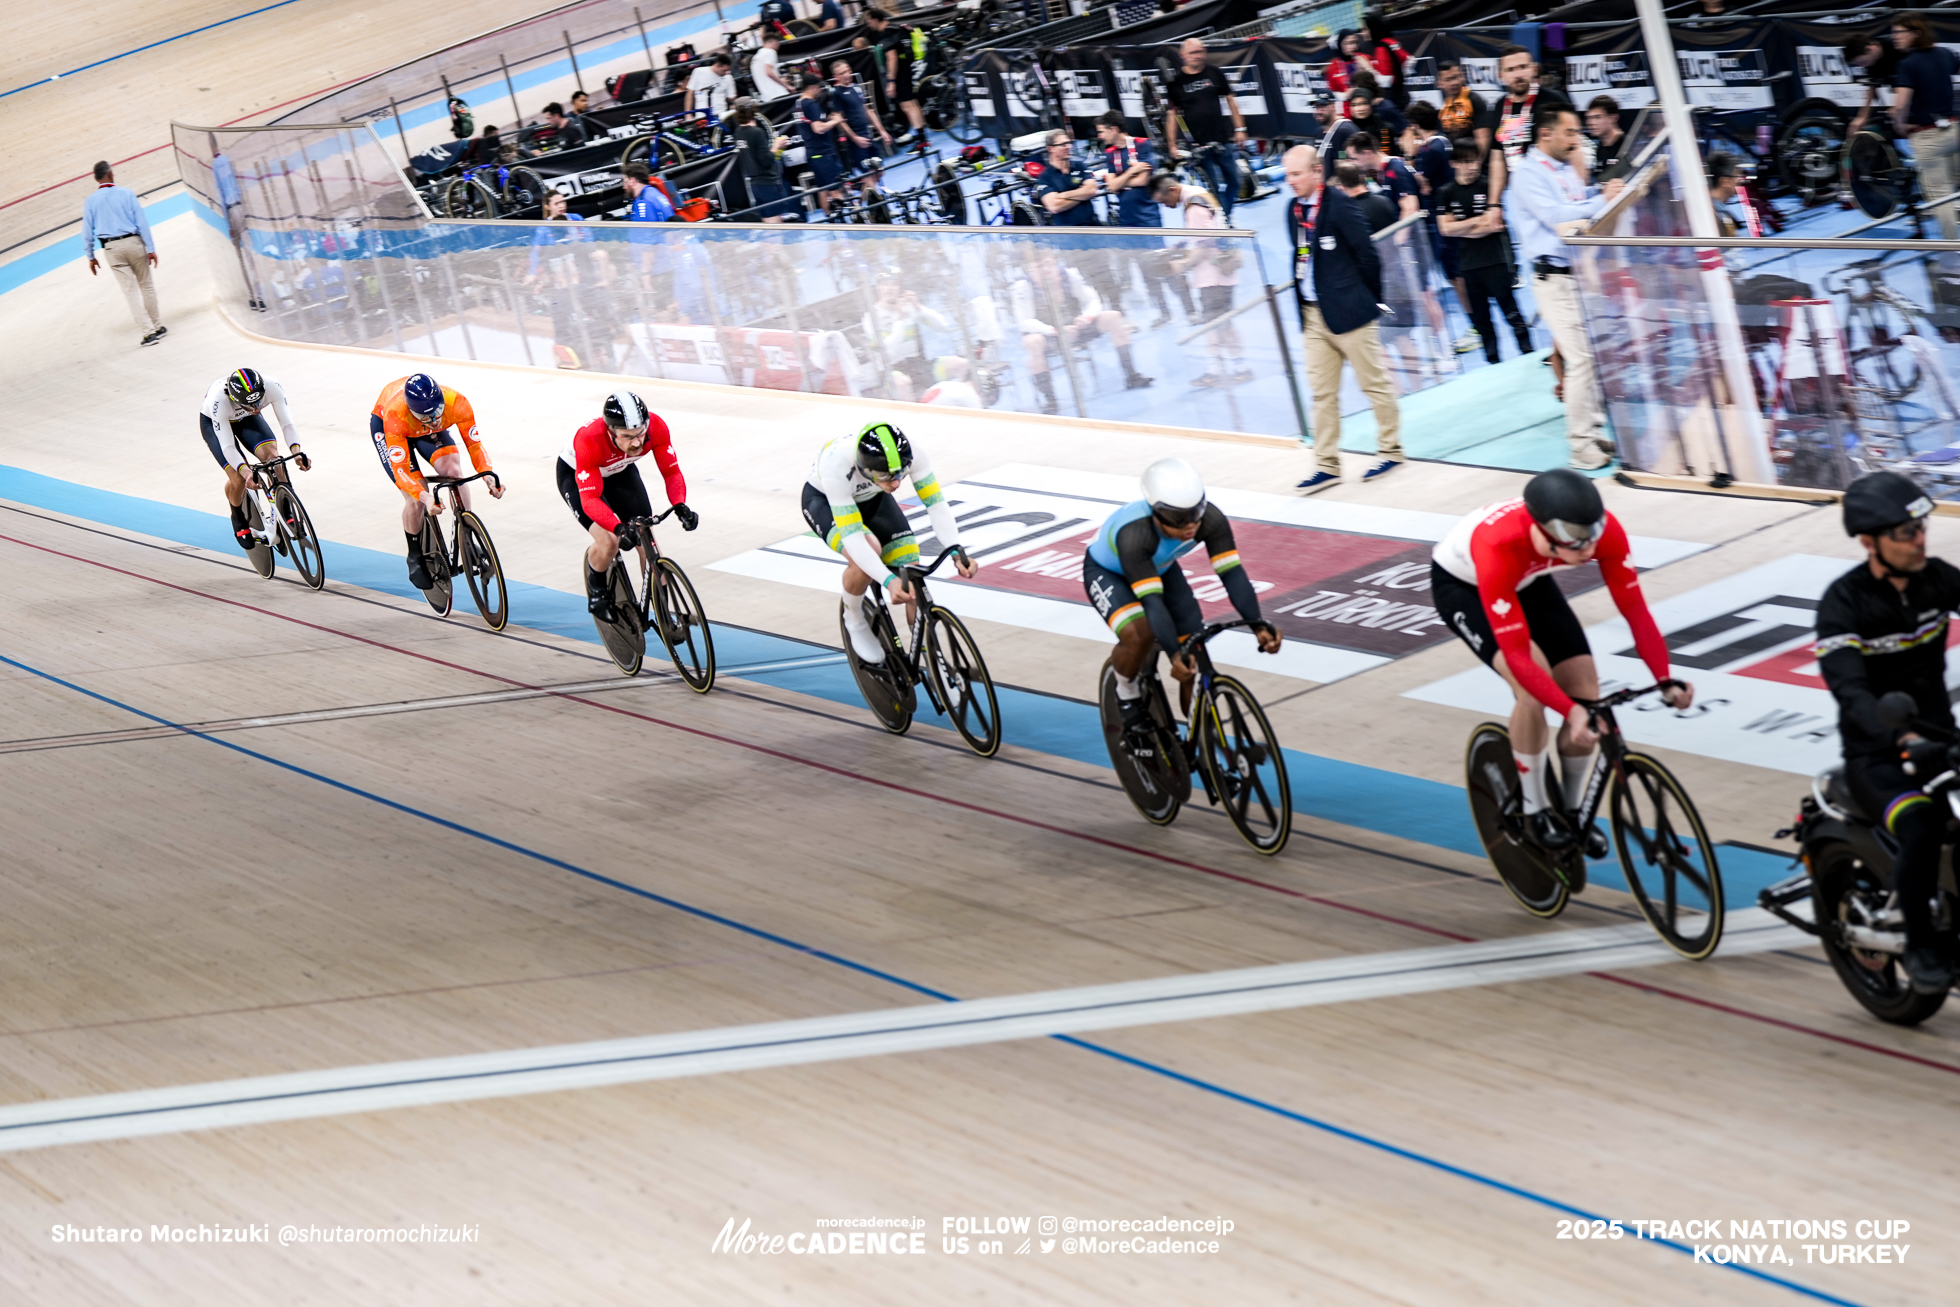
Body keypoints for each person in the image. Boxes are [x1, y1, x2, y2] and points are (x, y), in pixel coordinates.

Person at [1431, 469, 1689, 854]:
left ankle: (1571, 813)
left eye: (1592, 535)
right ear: (1543, 530)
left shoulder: (1602, 533)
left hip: (1529, 580)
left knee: (1588, 692)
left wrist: (1665, 677)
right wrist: (1569, 712)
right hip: (1466, 586)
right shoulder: (1498, 544)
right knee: (1532, 691)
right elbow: (1518, 655)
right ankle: (1535, 812)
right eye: (1574, 539)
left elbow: (1635, 611)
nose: (1587, 549)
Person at [1817, 472, 1960, 992]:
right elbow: (1851, 692)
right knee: (1920, 823)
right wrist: (1901, 739)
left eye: (1920, 527)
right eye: (1904, 533)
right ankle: (1921, 942)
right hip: (1878, 756)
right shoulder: (1843, 604)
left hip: (1943, 741)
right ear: (1869, 542)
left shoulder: (1939, 579)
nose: (1919, 539)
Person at [1083, 457, 1281, 749]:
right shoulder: (1135, 534)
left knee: (1193, 653)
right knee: (1140, 634)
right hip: (1110, 572)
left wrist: (1258, 623)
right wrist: (1173, 653)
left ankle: (1201, 741)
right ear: (1156, 512)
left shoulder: (1210, 520)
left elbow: (1232, 574)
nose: (1190, 525)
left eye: (1195, 512)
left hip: (1159, 568)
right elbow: (1152, 602)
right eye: (1178, 518)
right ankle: (1126, 694)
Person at [802, 422, 976, 661]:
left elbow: (935, 504)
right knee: (869, 548)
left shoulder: (912, 450)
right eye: (885, 476)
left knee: (911, 573)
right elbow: (853, 539)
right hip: (825, 501)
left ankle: (932, 661)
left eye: (900, 474)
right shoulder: (836, 465)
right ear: (864, 468)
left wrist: (956, 550)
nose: (895, 483)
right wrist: (888, 580)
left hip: (873, 498)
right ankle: (853, 617)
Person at [1283, 146, 1401, 493]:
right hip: (1312, 314)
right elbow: (1302, 254)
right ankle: (1326, 464)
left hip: (1351, 312)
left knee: (1373, 384)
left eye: (1297, 174)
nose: (1291, 181)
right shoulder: (1293, 209)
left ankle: (1391, 449)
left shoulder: (1339, 203)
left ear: (1317, 172)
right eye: (1287, 175)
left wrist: (1370, 299)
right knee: (1322, 394)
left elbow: (1367, 254)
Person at [1511, 106, 1623, 470]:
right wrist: (1601, 200)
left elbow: (1580, 205)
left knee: (1592, 356)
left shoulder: (1562, 169)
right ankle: (1580, 445)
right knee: (1581, 359)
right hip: (1552, 277)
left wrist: (1601, 193)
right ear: (1546, 134)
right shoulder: (1528, 174)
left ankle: (1592, 430)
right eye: (1570, 132)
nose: (1577, 139)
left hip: (1576, 271)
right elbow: (1557, 216)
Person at [558, 390, 695, 622]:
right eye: (628, 436)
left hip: (619, 470)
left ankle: (663, 614)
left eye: (640, 433)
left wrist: (680, 504)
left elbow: (671, 472)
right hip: (577, 476)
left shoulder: (656, 427)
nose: (637, 442)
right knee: (609, 542)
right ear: (611, 432)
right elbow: (591, 500)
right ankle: (597, 590)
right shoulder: (590, 440)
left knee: (646, 537)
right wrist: (619, 528)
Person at [369, 373, 504, 591]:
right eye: (428, 417)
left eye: (438, 412)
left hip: (418, 426)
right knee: (416, 498)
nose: (435, 420)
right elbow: (402, 471)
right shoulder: (396, 414)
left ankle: (466, 531)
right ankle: (414, 555)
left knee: (454, 472)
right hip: (391, 428)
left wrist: (488, 474)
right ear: (413, 411)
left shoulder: (456, 402)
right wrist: (426, 497)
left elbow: (475, 445)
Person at [1011, 247, 1154, 412]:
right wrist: (1054, 330)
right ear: (1029, 269)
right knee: (1031, 342)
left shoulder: (1069, 275)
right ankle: (1051, 401)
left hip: (1078, 328)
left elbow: (1092, 300)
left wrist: (1086, 317)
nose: (1045, 270)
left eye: (1048, 264)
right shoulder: (1023, 287)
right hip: (1049, 335)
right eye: (1038, 267)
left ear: (1054, 262)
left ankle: (1132, 376)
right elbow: (1024, 321)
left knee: (1113, 317)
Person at [1436, 139, 1532, 367]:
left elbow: (1494, 225)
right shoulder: (1446, 192)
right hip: (1468, 266)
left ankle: (1530, 354)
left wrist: (1462, 227)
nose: (1473, 167)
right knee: (1482, 322)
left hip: (1495, 261)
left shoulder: (1489, 186)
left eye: (1476, 161)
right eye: (1467, 162)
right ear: (1454, 163)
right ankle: (1493, 365)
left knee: (1512, 313)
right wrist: (1479, 221)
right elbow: (1445, 229)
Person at [1151, 174, 1247, 388]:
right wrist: (1180, 247)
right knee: (1216, 324)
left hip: (1214, 275)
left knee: (1219, 324)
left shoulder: (1193, 208)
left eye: (1164, 201)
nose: (1166, 206)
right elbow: (1204, 236)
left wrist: (1181, 266)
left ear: (1173, 190)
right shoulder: (1198, 195)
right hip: (1219, 270)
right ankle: (1221, 369)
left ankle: (1237, 368)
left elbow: (1204, 245)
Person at [1098, 110, 1190, 328]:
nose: (1100, 136)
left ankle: (1190, 309)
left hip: (1148, 218)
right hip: (1126, 220)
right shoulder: (1110, 153)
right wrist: (1133, 170)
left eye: (1102, 131)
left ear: (1114, 129)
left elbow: (1142, 181)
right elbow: (1112, 186)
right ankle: (1163, 312)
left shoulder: (1141, 145)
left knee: (1163, 265)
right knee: (1144, 270)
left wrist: (1126, 178)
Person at [200, 368, 310, 549]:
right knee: (238, 477)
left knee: (274, 459)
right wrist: (246, 472)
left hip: (246, 418)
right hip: (213, 424)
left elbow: (288, 424)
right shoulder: (218, 401)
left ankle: (286, 511)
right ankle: (238, 517)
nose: (257, 408)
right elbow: (228, 446)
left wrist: (297, 452)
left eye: (259, 401)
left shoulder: (272, 386)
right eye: (252, 405)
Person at [1891, 15, 1960, 241]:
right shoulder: (1945, 54)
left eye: (1899, 33)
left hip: (1928, 137)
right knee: (1952, 191)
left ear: (1916, 34)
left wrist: (1899, 125)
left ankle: (1951, 260)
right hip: (1953, 130)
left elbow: (1901, 104)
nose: (1895, 38)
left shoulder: (1908, 64)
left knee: (1942, 198)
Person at [1163, 37, 1247, 220]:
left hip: (1222, 139)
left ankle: (1222, 216)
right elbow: (1172, 114)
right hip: (1198, 145)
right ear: (1183, 55)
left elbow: (1231, 100)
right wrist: (1172, 144)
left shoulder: (1214, 73)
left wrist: (1240, 128)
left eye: (1200, 52)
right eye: (1193, 53)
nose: (1197, 56)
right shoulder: (1175, 83)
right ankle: (1223, 222)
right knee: (1213, 187)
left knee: (1235, 181)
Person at [83, 162, 165, 346]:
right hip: (134, 242)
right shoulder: (127, 193)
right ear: (111, 174)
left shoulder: (91, 201)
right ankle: (158, 327)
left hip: (112, 248)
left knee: (130, 292)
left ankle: (148, 333)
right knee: (146, 285)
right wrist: (151, 248)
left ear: (96, 179)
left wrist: (90, 256)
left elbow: (87, 232)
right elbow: (142, 222)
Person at [526, 189, 593, 368]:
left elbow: (590, 240)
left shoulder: (576, 218)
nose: (562, 206)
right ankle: (564, 346)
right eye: (557, 203)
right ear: (548, 207)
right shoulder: (543, 228)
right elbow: (536, 252)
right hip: (559, 278)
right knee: (561, 310)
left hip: (581, 274)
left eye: (563, 202)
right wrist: (532, 272)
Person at [863, 275, 951, 399]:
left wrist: (919, 307)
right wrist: (900, 319)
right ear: (878, 288)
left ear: (900, 288)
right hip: (890, 371)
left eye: (894, 284)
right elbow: (887, 353)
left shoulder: (908, 307)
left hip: (917, 365)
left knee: (959, 364)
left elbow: (944, 327)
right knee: (902, 382)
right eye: (885, 284)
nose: (890, 288)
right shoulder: (871, 317)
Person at [1492, 45, 1570, 175]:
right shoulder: (1500, 106)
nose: (1518, 75)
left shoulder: (1555, 100)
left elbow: (1574, 146)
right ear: (1501, 76)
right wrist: (1495, 196)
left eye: (1523, 67)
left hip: (1554, 184)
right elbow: (1497, 157)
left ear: (1533, 69)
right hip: (1515, 187)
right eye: (1510, 69)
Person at [863, 9, 926, 143]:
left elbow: (892, 58)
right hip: (907, 68)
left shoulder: (885, 34)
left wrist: (891, 81)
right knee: (912, 103)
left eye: (869, 22)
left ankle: (922, 140)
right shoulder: (895, 28)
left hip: (900, 72)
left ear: (875, 20)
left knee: (907, 105)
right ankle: (922, 135)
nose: (869, 25)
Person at [730, 99, 794, 221]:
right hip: (767, 183)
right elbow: (766, 160)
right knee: (775, 224)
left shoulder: (738, 133)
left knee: (767, 222)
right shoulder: (756, 132)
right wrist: (777, 145)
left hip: (755, 184)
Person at [795, 74, 848, 214]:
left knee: (823, 189)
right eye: (819, 88)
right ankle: (847, 223)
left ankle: (830, 220)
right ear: (812, 88)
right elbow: (818, 128)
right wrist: (836, 121)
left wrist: (827, 120)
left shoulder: (798, 103)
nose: (820, 91)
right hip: (823, 153)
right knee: (835, 189)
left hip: (812, 153)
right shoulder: (811, 104)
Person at [830, 59, 893, 170]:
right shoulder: (837, 94)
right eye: (842, 73)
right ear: (836, 77)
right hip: (856, 141)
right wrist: (855, 138)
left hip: (868, 135)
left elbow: (867, 110)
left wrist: (882, 131)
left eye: (847, 71)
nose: (846, 75)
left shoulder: (856, 87)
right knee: (868, 174)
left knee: (879, 170)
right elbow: (839, 120)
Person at [1033, 129, 1103, 226]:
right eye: (1063, 144)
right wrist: (1083, 194)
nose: (1069, 147)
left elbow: (1092, 190)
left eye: (1069, 143)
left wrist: (1062, 196)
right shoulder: (1045, 177)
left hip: (1091, 226)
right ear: (1051, 148)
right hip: (1066, 232)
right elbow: (1054, 206)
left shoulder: (1080, 166)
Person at [1844, 32, 1900, 141]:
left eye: (1862, 62)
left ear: (1869, 49)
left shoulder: (1896, 48)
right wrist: (1861, 117)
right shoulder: (1871, 60)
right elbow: (1871, 87)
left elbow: (1906, 83)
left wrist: (1898, 106)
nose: (1862, 66)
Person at [1348, 137, 1420, 220]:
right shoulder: (1383, 171)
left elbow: (1410, 209)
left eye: (1354, 159)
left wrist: (1399, 233)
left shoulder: (1395, 170)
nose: (1352, 163)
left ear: (1367, 154)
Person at [1312, 92, 1359, 174]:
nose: (1318, 111)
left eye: (1323, 106)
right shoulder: (1318, 132)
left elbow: (1354, 164)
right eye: (1316, 107)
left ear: (1333, 106)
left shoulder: (1345, 130)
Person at [1584, 96, 1626, 178]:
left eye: (1597, 117)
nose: (1591, 123)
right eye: (1589, 118)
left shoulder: (1629, 147)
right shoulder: (1595, 150)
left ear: (1613, 118)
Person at [685, 51, 738, 117]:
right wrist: (688, 114)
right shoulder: (698, 72)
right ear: (717, 66)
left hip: (721, 115)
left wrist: (733, 98)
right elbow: (690, 93)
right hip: (701, 116)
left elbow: (731, 98)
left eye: (727, 71)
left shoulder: (728, 77)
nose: (725, 73)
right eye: (724, 70)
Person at [1707, 152, 1743, 237]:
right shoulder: (1715, 217)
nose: (1740, 181)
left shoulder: (1718, 210)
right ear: (1725, 181)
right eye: (1737, 176)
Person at [752, 30, 793, 101]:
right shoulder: (770, 52)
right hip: (779, 94)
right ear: (775, 42)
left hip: (767, 98)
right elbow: (769, 72)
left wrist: (781, 79)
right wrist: (787, 86)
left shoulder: (755, 58)